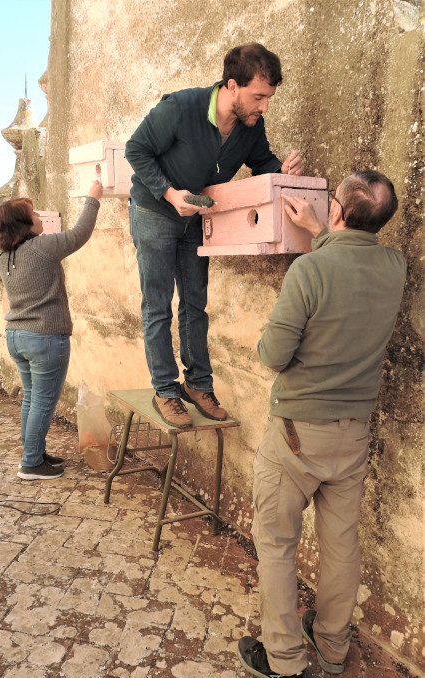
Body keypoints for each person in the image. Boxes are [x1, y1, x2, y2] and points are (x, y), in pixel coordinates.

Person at [237, 170, 406, 678]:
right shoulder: (395, 267)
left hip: (295, 435)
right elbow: (354, 263)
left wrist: (313, 242)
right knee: (341, 545)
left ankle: (284, 662)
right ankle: (332, 647)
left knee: (278, 544)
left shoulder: (308, 272)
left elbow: (273, 355)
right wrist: (322, 232)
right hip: (353, 435)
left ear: (335, 210)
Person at [125, 43, 304, 428]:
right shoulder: (181, 107)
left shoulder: (252, 126)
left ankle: (198, 385)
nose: (265, 107)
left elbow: (263, 164)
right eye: (259, 97)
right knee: (157, 305)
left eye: (269, 98)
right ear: (232, 85)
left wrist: (283, 171)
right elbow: (136, 150)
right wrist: (171, 195)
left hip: (198, 218)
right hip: (155, 210)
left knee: (195, 304)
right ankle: (165, 391)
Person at [0, 180, 103, 480]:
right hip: (45, 338)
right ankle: (30, 463)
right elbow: (79, 234)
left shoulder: (3, 256)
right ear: (24, 224)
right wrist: (92, 198)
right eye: (34, 214)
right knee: (41, 401)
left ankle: (36, 453)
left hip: (17, 336)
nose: (41, 216)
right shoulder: (42, 248)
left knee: (31, 399)